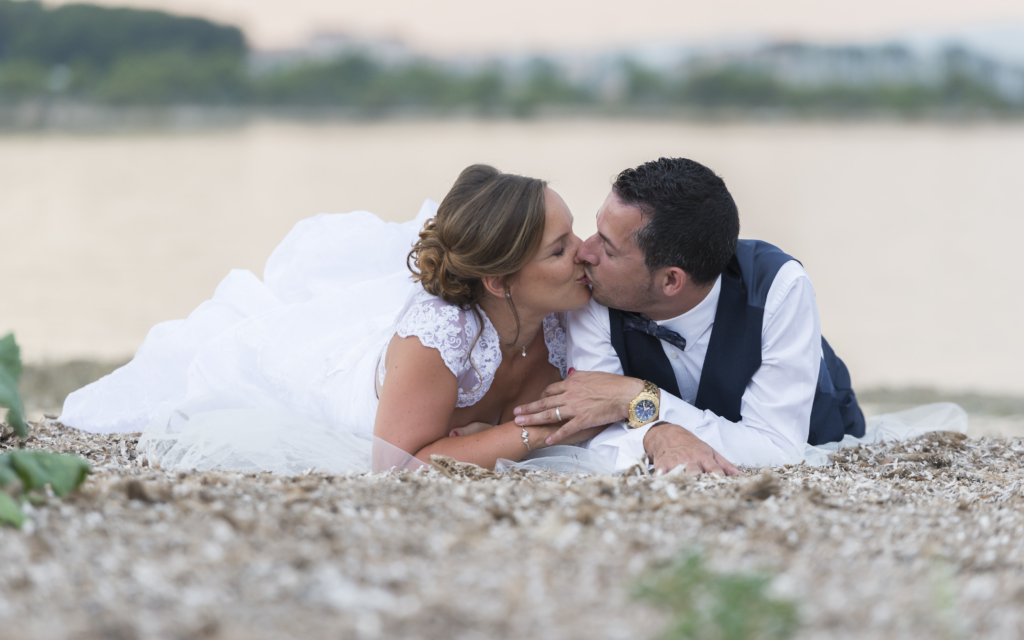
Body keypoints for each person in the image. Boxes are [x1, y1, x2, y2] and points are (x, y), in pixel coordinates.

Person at [61, 165, 596, 473]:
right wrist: (536, 435)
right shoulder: (438, 337)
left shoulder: (569, 314)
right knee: (235, 367)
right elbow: (399, 463)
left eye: (573, 233)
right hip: (337, 398)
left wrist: (489, 434)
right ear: (500, 282)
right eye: (559, 249)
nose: (586, 252)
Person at [513, 157, 866, 475]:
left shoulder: (779, 287)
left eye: (607, 247)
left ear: (671, 280)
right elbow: (592, 426)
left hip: (822, 434)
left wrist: (637, 396)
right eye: (597, 230)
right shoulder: (594, 289)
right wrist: (658, 433)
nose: (584, 252)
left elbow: (775, 448)